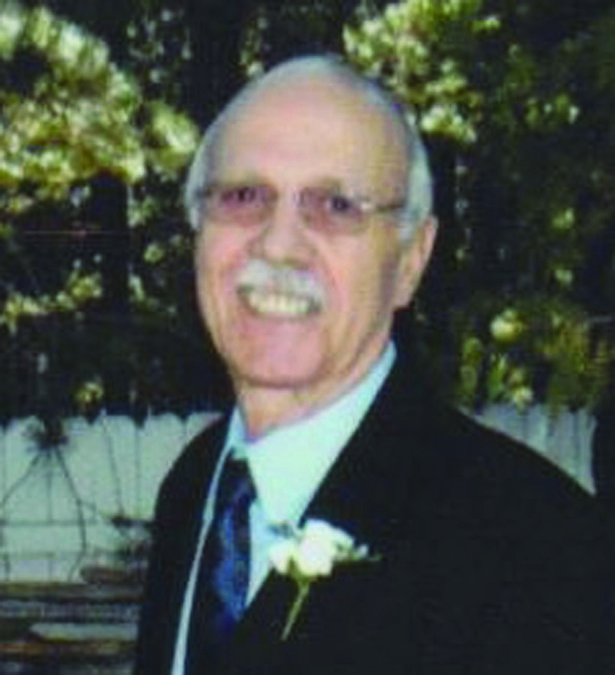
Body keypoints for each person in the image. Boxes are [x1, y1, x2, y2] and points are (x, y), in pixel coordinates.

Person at [134, 55, 608, 675]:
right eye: (244, 196)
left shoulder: (536, 551)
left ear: (410, 259)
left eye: (336, 206)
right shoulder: (193, 490)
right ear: (196, 229)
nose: (278, 244)